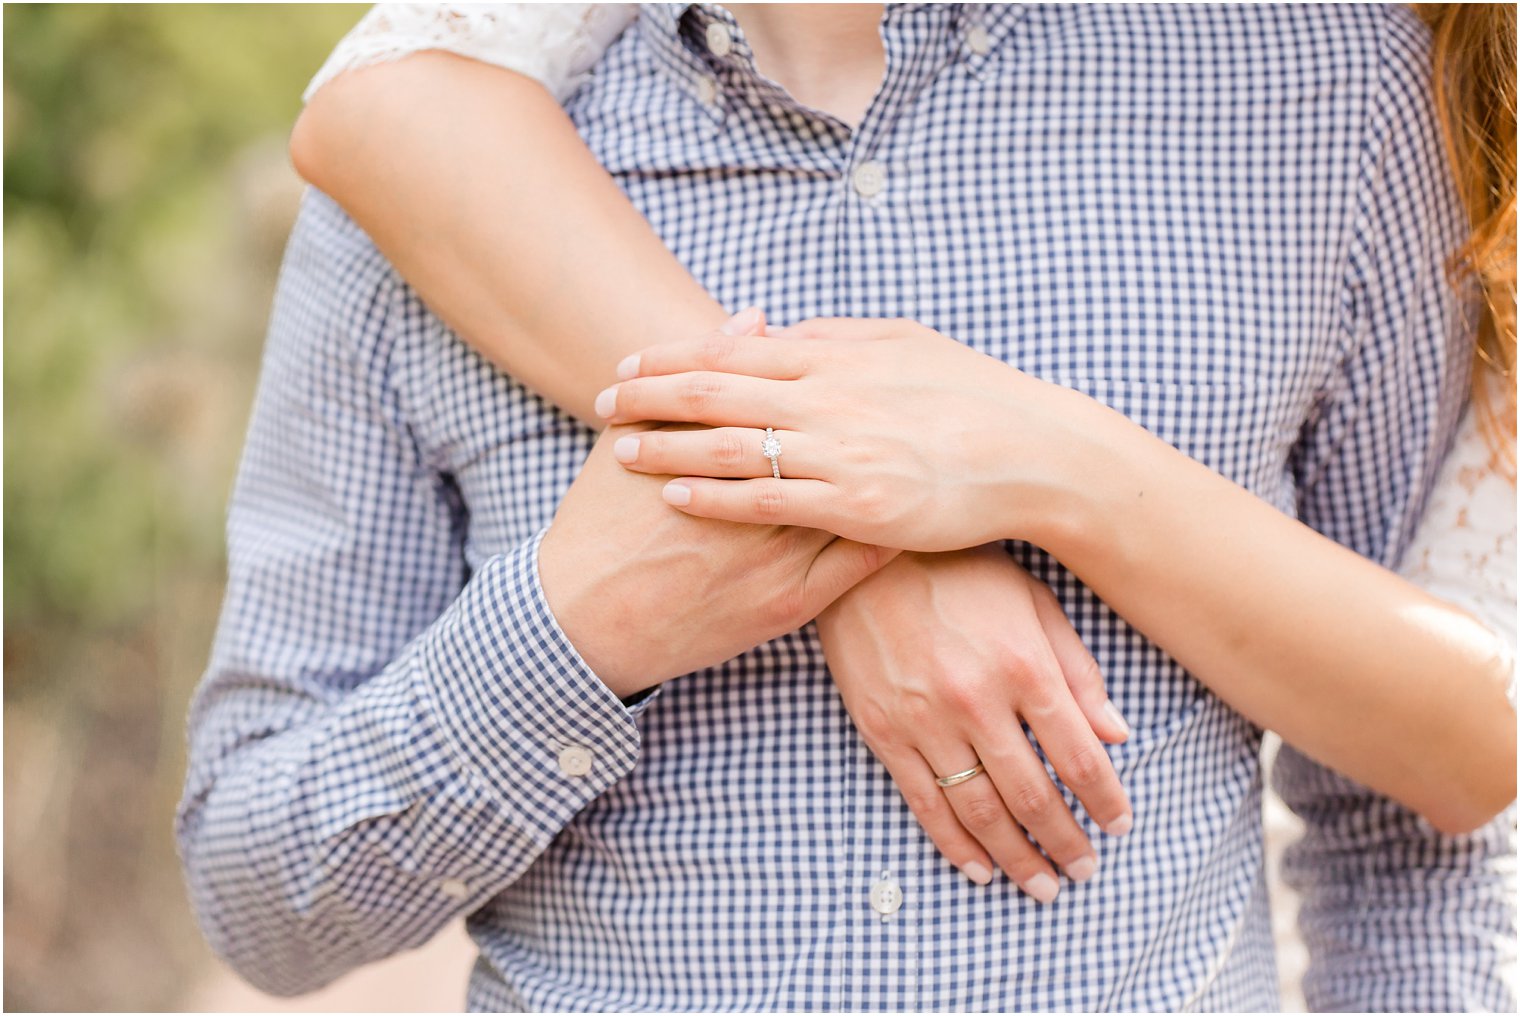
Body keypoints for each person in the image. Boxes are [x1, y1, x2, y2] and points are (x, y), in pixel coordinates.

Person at [180, 4, 1516, 1010]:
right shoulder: (428, 168)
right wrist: (578, 627)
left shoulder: (1324, 92)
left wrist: (1046, 465)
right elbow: (257, 894)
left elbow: (1419, 827)